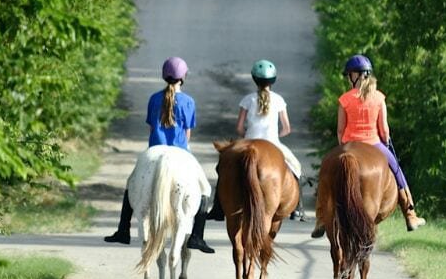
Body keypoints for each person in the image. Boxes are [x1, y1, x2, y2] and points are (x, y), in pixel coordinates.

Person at [104, 56, 215, 253]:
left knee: (131, 185)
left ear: (164, 76)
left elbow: (150, 129)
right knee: (205, 189)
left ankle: (123, 230)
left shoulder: (154, 99)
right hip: (181, 151)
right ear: (183, 77)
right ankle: (197, 237)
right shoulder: (188, 101)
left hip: (154, 150)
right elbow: (187, 133)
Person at [311, 54, 425, 237]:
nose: (349, 79)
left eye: (349, 75)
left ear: (354, 76)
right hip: (374, 143)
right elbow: (385, 130)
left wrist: (343, 146)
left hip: (348, 143)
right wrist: (386, 143)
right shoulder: (379, 98)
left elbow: (340, 130)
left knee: (325, 169)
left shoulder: (345, 99)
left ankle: (321, 218)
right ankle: (410, 214)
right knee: (396, 170)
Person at [209, 60, 306, 221]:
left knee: (222, 166)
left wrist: (247, 134)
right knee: (297, 167)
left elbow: (239, 127)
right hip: (273, 142)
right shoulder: (279, 100)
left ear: (254, 78)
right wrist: (276, 135)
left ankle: (218, 207)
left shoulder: (247, 100)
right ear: (273, 80)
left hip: (248, 140)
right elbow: (287, 128)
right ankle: (297, 209)